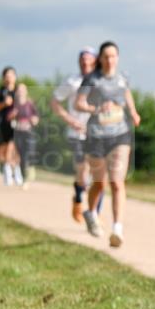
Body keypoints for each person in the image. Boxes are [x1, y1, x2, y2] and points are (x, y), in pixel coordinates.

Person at [74, 41, 141, 248]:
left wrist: (133, 112)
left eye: (114, 56)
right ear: (100, 59)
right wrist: (96, 108)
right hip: (96, 136)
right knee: (99, 183)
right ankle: (90, 213)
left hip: (120, 135)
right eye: (106, 56)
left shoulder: (122, 78)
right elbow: (79, 103)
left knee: (117, 182)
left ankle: (117, 229)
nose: (110, 60)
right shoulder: (91, 79)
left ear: (117, 58)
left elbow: (126, 93)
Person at [52, 47, 99, 221]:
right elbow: (54, 102)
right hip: (77, 132)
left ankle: (93, 212)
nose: (85, 63)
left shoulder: (100, 80)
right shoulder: (72, 81)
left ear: (94, 61)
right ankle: (78, 200)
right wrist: (69, 119)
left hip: (97, 133)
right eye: (82, 59)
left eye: (89, 59)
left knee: (97, 172)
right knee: (83, 170)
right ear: (79, 61)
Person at [0, 67, 20, 185]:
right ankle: (8, 169)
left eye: (11, 75)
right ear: (4, 78)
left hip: (18, 124)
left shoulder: (19, 91)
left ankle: (14, 170)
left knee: (14, 147)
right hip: (4, 123)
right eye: (7, 75)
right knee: (7, 146)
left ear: (15, 77)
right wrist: (4, 104)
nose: (9, 78)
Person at [7, 83, 39, 188]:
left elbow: (36, 116)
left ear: (26, 91)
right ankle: (22, 177)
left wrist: (34, 120)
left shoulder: (30, 103)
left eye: (22, 89)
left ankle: (28, 178)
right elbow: (8, 117)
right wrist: (13, 114)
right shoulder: (14, 104)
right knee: (20, 155)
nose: (20, 92)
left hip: (28, 132)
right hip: (18, 132)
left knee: (28, 154)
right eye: (19, 90)